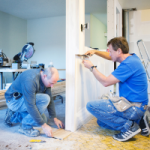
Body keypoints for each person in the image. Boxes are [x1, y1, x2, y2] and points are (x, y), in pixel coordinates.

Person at [82, 37, 149, 142]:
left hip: (134, 107)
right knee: (101, 122)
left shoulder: (128, 64)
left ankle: (130, 126)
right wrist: (95, 51)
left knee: (91, 106)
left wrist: (92, 67)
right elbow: (111, 57)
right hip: (137, 105)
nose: (109, 54)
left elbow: (105, 82)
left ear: (119, 51)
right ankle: (138, 120)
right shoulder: (131, 58)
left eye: (110, 51)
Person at [4, 67, 64, 137]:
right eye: (51, 83)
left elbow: (50, 99)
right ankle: (25, 127)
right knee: (44, 99)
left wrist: (54, 117)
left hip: (25, 98)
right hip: (14, 101)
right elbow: (30, 105)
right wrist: (44, 126)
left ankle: (14, 115)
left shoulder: (45, 79)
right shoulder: (31, 80)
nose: (52, 86)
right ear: (45, 76)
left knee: (43, 120)